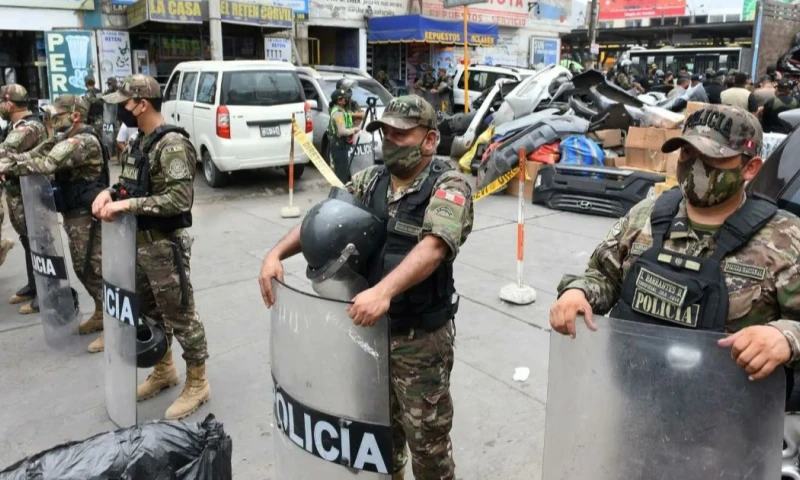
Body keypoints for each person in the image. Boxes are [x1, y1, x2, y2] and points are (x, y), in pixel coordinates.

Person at [259, 95, 474, 480]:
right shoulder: (372, 179)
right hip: (367, 336)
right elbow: (325, 218)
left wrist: (383, 291)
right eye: (385, 133)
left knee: (429, 450)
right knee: (377, 439)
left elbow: (434, 246)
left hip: (419, 342)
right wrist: (276, 254)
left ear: (429, 141)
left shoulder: (448, 185)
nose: (390, 141)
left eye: (401, 135)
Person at [551, 104, 800, 387]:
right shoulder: (645, 215)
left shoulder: (786, 239)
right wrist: (577, 293)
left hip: (727, 407)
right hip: (636, 395)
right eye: (687, 153)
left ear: (750, 168)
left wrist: (786, 338)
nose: (695, 165)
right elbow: (603, 276)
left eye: (711, 156)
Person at [95, 74, 210, 420]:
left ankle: (198, 382)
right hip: (137, 245)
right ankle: (164, 369)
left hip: (163, 246)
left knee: (180, 315)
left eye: (125, 103)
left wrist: (126, 205)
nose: (121, 110)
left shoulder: (171, 144)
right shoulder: (140, 142)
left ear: (142, 104)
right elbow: (129, 185)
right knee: (149, 312)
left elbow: (179, 199)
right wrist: (109, 193)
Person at [0, 95, 107, 341]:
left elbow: (46, 164)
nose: (51, 119)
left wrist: (7, 168)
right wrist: (7, 162)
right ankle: (101, 312)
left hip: (86, 215)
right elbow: (33, 155)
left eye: (57, 115)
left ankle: (114, 325)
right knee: (82, 268)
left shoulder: (82, 141)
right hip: (72, 213)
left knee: (94, 269)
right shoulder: (63, 137)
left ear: (75, 116)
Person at [0, 84, 46, 313]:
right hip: (18, 192)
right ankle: (33, 285)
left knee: (39, 243)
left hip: (32, 194)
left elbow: (5, 151)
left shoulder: (29, 126)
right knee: (28, 241)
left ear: (9, 104)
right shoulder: (15, 125)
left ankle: (45, 294)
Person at [328, 88, 361, 184]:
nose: (346, 100)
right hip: (338, 143)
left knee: (343, 169)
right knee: (341, 172)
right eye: (343, 98)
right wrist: (354, 130)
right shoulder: (338, 113)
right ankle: (341, 190)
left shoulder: (340, 110)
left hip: (339, 143)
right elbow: (342, 131)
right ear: (338, 101)